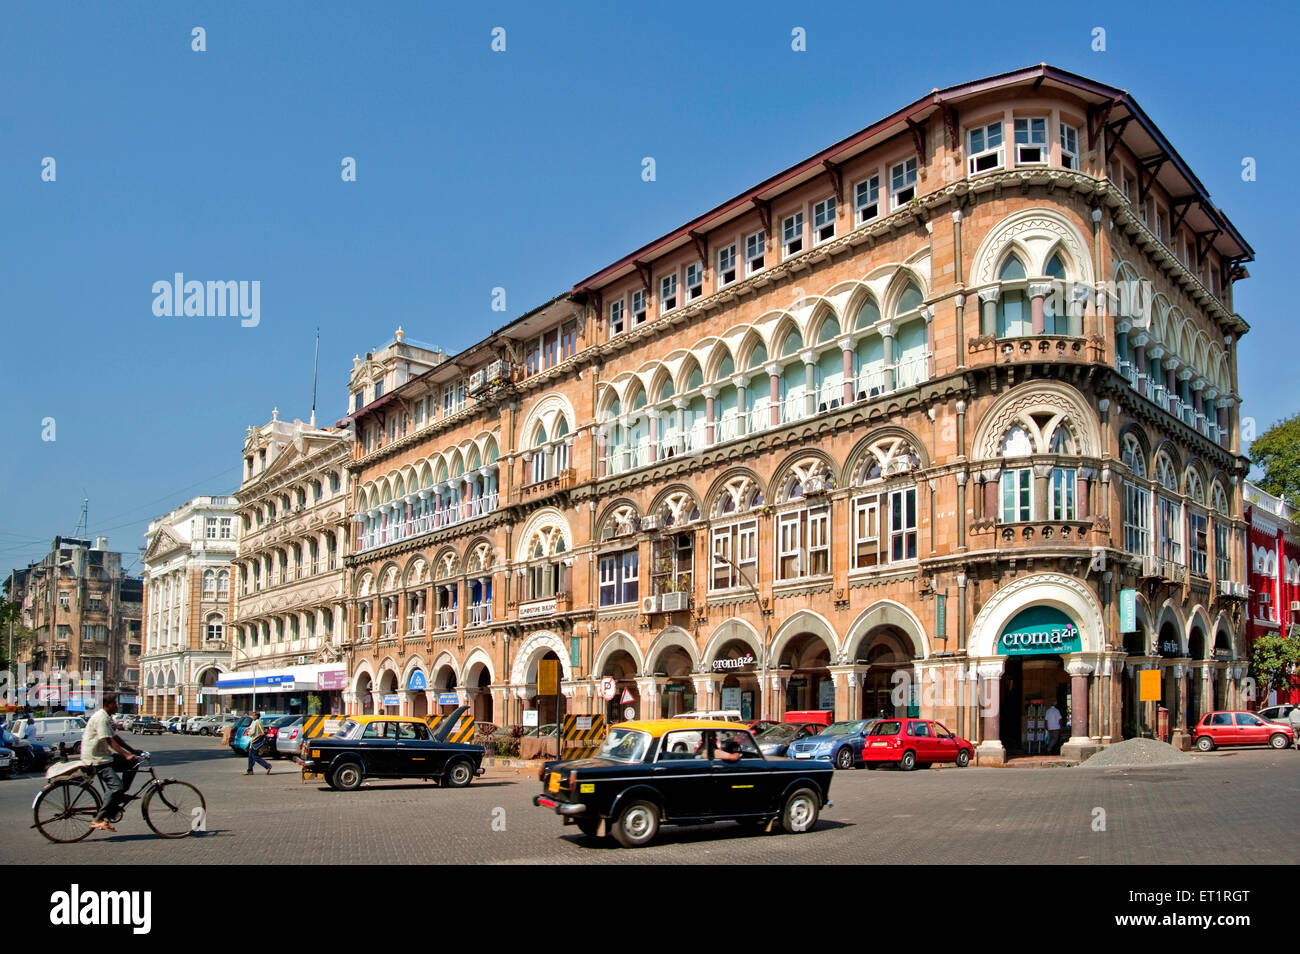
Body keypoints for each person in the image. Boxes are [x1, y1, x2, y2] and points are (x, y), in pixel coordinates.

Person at [81, 693, 143, 833]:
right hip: (96, 759)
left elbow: (115, 737)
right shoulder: (101, 718)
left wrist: (133, 751)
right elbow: (108, 740)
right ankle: (98, 819)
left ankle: (120, 795)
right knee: (115, 786)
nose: (117, 706)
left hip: (104, 756)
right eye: (115, 703)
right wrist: (126, 755)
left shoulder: (107, 718)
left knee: (133, 763)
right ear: (107, 705)